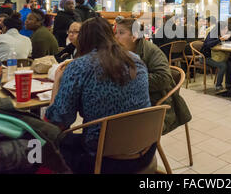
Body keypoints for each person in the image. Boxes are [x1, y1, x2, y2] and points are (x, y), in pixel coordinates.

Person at [45, 17, 154, 174]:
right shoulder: (135, 60)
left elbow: (58, 121)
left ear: (83, 40)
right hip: (145, 149)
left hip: (104, 159)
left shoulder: (79, 66)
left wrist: (57, 81)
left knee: (43, 144)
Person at [114, 18, 192, 135]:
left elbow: (164, 78)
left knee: (112, 124)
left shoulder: (151, 51)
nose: (116, 37)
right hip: (133, 99)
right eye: (115, 33)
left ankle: (139, 149)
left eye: (121, 33)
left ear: (134, 36)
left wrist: (132, 80)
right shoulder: (123, 51)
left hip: (156, 103)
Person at [201, 21, 231, 90]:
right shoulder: (212, 33)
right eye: (224, 29)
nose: (226, 31)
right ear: (219, 28)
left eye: (226, 29)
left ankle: (228, 84)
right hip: (206, 57)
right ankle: (218, 85)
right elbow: (207, 44)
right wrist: (219, 39)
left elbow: (227, 41)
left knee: (230, 64)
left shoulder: (221, 33)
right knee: (223, 65)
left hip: (217, 56)